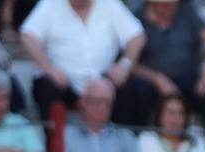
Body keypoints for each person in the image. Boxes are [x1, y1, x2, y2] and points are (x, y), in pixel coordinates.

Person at [20, 0, 152, 126]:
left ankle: (124, 144)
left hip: (104, 80)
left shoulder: (109, 4)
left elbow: (137, 36)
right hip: (64, 83)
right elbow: (28, 36)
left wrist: (124, 65)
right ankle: (54, 148)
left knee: (135, 88)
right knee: (47, 89)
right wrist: (49, 68)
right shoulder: (51, 4)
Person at [133, 0, 205, 136]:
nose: (170, 7)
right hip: (150, 80)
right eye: (165, 4)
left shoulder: (186, 11)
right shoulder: (136, 18)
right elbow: (128, 63)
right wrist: (157, 79)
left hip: (188, 76)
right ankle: (138, 140)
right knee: (137, 90)